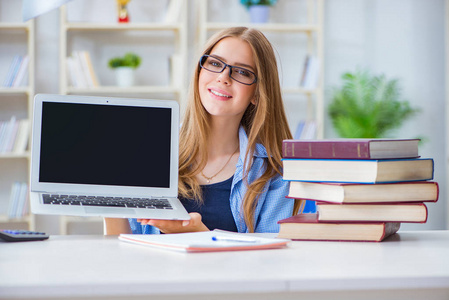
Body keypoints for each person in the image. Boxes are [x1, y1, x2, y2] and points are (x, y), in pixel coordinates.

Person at [104, 26, 305, 235]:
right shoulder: (149, 150)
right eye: (215, 63)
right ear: (199, 73)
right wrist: (109, 194)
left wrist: (199, 234)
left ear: (257, 93)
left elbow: (270, 262)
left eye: (242, 72)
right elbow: (122, 250)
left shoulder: (272, 172)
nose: (223, 77)